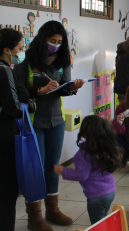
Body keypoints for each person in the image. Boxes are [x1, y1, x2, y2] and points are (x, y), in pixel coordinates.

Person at [13, 21, 84, 228]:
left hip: (56, 121)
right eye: (52, 41)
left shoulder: (62, 59)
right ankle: (34, 216)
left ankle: (52, 210)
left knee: (53, 167)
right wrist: (40, 91)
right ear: (42, 38)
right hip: (33, 122)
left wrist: (72, 88)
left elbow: (64, 88)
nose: (55, 45)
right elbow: (18, 92)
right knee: (33, 169)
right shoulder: (26, 60)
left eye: (59, 42)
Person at [54, 116, 120, 224]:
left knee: (97, 224)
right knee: (103, 218)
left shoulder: (82, 154)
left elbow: (81, 175)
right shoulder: (106, 148)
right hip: (110, 191)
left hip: (97, 196)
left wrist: (63, 171)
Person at [0, 28, 35, 231]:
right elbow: (13, 107)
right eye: (20, 48)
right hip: (5, 135)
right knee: (7, 191)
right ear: (7, 49)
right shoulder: (4, 70)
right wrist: (30, 106)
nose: (22, 52)